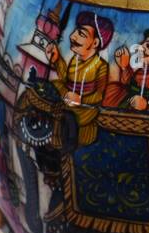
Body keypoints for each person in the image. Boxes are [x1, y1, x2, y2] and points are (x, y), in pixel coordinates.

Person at [45, 10, 113, 146]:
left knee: (67, 117)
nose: (72, 36)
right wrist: (57, 60)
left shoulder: (101, 66)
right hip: (69, 100)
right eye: (75, 31)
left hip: (86, 109)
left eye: (81, 34)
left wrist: (80, 99)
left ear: (95, 43)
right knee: (53, 85)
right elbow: (66, 79)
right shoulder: (75, 60)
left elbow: (99, 95)